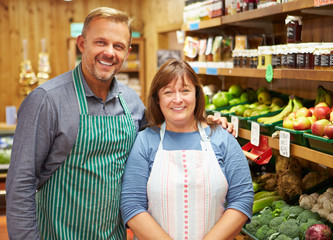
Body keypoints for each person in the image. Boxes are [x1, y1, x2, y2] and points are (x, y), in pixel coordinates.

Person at [6, 7, 232, 240]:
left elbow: (166, 135)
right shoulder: (46, 100)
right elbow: (21, 184)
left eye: (118, 46)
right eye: (101, 42)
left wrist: (206, 125)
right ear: (82, 43)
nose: (109, 52)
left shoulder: (131, 101)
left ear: (127, 52)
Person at [120, 59, 254, 240]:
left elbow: (242, 199)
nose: (177, 99)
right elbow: (132, 205)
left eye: (185, 90)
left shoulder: (222, 138)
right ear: (157, 99)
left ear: (197, 95)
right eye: (168, 92)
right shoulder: (145, 141)